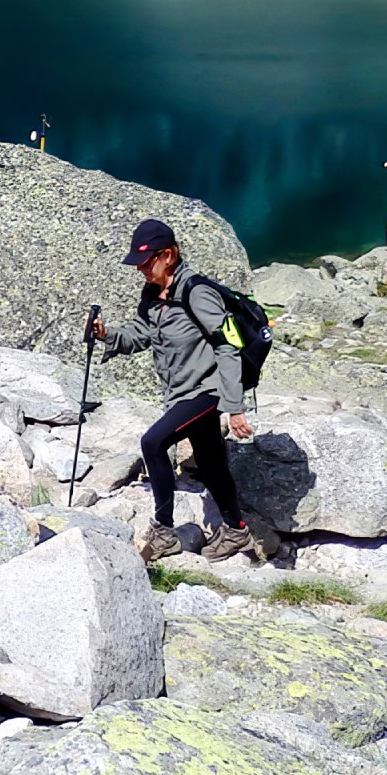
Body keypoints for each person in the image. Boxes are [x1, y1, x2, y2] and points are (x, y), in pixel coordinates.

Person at [92, 219, 255, 562]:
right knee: (211, 464)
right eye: (138, 262)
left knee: (153, 443)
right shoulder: (153, 295)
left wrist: (235, 406)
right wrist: (107, 335)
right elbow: (140, 334)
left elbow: (228, 344)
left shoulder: (197, 292)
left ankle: (164, 532)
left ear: (169, 255)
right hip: (182, 392)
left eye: (147, 261)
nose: (141, 268)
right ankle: (237, 531)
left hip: (206, 390)